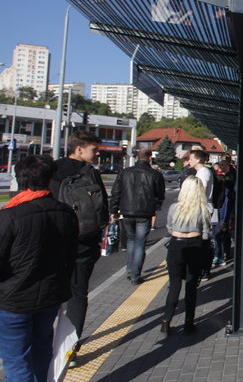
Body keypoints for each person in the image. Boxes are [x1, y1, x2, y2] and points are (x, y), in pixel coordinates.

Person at [0, 155, 78, 382]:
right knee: (42, 352)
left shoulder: (9, 216)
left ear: (19, 180)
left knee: (17, 362)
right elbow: (70, 256)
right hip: (50, 297)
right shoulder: (66, 212)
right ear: (50, 179)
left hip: (14, 300)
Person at [49, 131, 109, 366]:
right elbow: (101, 208)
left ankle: (47, 344)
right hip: (82, 242)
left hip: (53, 241)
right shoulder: (89, 173)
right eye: (94, 150)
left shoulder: (51, 170)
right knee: (77, 293)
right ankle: (70, 351)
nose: (97, 153)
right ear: (79, 149)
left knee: (50, 295)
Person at [161, 176, 212, 336]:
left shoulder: (174, 208)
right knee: (191, 286)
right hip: (195, 245)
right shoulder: (203, 209)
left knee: (174, 285)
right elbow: (206, 234)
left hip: (176, 245)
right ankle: (189, 323)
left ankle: (166, 322)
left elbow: (169, 228)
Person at [109, 148, 165, 284]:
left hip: (126, 211)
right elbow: (160, 195)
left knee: (131, 240)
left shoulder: (125, 172)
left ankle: (129, 268)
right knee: (140, 243)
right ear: (149, 157)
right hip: (145, 212)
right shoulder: (155, 174)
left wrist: (113, 210)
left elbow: (116, 192)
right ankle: (135, 274)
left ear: (137, 157)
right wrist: (155, 207)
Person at [186, 149, 214, 281]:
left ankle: (203, 270)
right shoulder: (201, 172)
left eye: (190, 158)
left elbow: (199, 192)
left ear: (198, 159)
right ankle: (202, 269)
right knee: (202, 240)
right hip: (202, 209)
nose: (188, 161)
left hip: (201, 209)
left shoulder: (203, 173)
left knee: (203, 240)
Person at [212, 159, 235, 266]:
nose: (220, 167)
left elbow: (227, 198)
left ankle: (222, 254)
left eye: (223, 165)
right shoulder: (217, 178)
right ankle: (221, 254)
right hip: (219, 209)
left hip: (225, 210)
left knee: (222, 232)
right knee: (219, 232)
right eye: (219, 165)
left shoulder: (231, 178)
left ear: (228, 166)